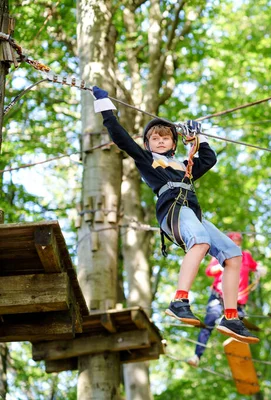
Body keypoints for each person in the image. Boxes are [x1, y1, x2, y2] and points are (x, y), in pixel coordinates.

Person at [91, 86, 258, 344]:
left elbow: (209, 159)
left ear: (173, 143)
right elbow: (121, 137)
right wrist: (104, 107)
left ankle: (231, 316)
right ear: (147, 144)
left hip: (193, 215)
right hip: (173, 212)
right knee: (200, 241)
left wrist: (197, 139)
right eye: (155, 138)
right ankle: (179, 300)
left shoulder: (184, 167)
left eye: (166, 137)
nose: (160, 140)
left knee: (233, 254)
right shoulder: (147, 160)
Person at [187, 232, 266, 367]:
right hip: (219, 295)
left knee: (239, 327)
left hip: (237, 300)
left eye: (238, 241)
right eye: (233, 241)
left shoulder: (245, 256)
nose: (236, 243)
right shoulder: (221, 253)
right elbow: (209, 271)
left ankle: (241, 361)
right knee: (209, 322)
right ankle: (197, 355)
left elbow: (256, 267)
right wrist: (220, 266)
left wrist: (260, 269)